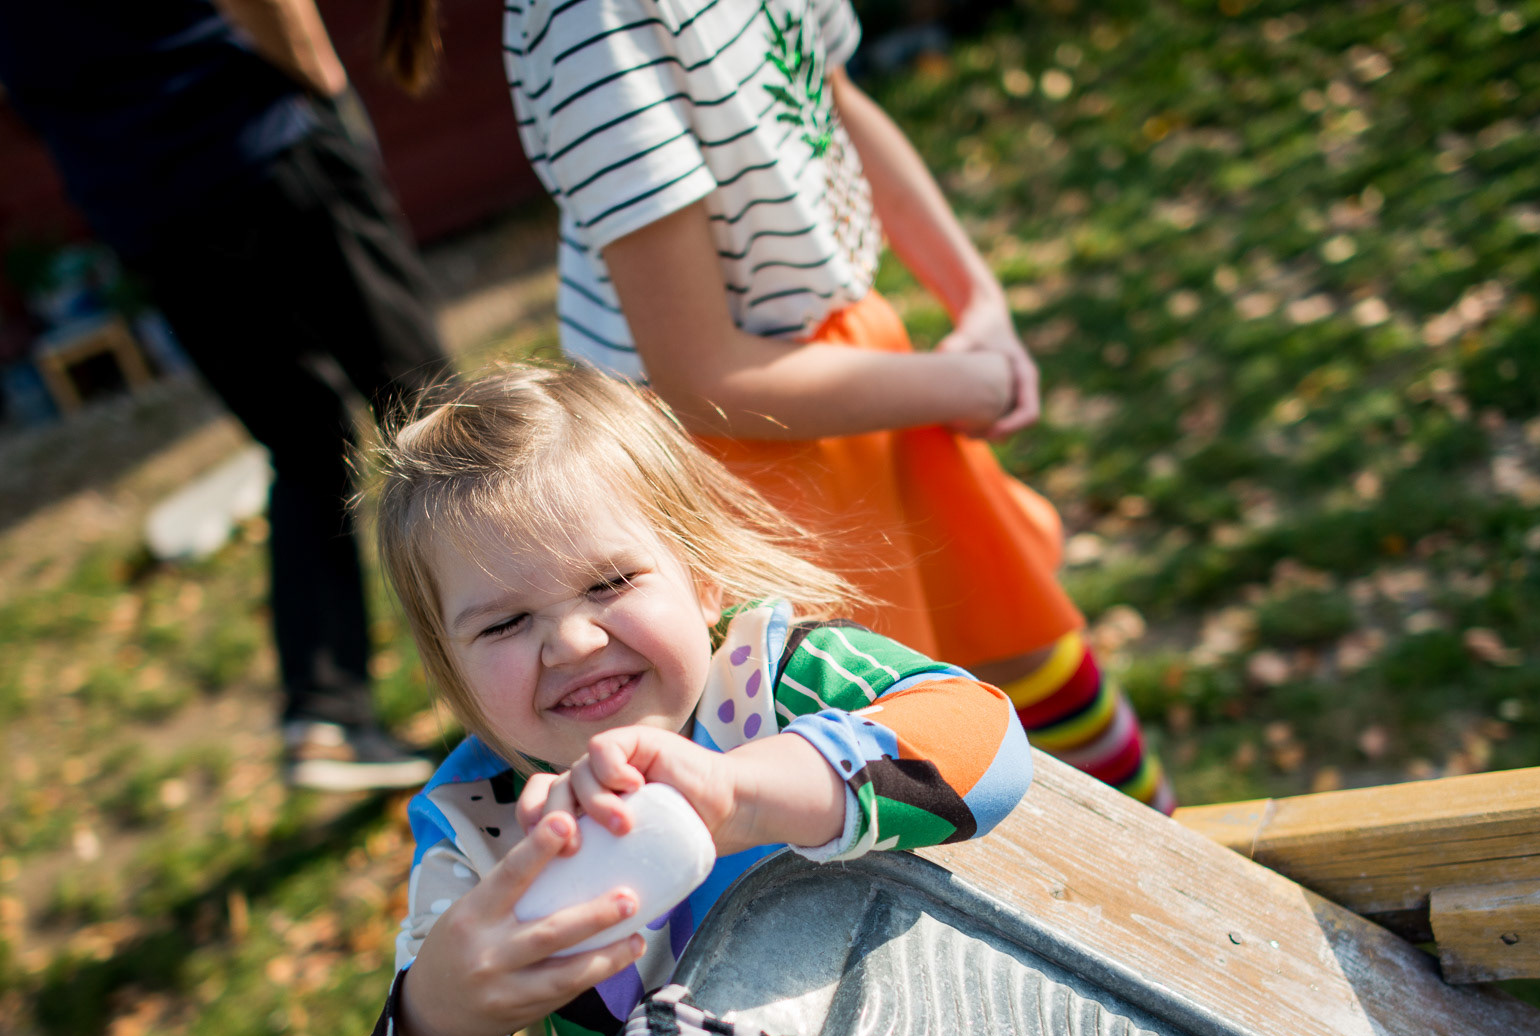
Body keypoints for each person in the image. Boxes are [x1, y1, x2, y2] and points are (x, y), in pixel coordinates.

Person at [379, 0, 1174, 812]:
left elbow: (834, 102)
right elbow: (705, 375)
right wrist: (972, 384)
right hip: (754, 447)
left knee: (1022, 648)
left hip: (860, 382)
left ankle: (1181, 852)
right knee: (870, 739)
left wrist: (980, 302)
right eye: (502, 626)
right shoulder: (592, 22)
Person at [346, 362, 1032, 1036]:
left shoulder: (777, 681)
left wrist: (747, 794)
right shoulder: (482, 827)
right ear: (453, 677)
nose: (572, 642)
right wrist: (444, 1016)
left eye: (610, 581)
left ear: (701, 578)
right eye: (503, 624)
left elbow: (989, 741)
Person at [0, 0, 447, 789]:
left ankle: (328, 712)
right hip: (264, 142)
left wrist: (33, 78)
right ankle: (537, 656)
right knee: (435, 417)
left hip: (144, 207)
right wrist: (321, 81)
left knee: (304, 445)